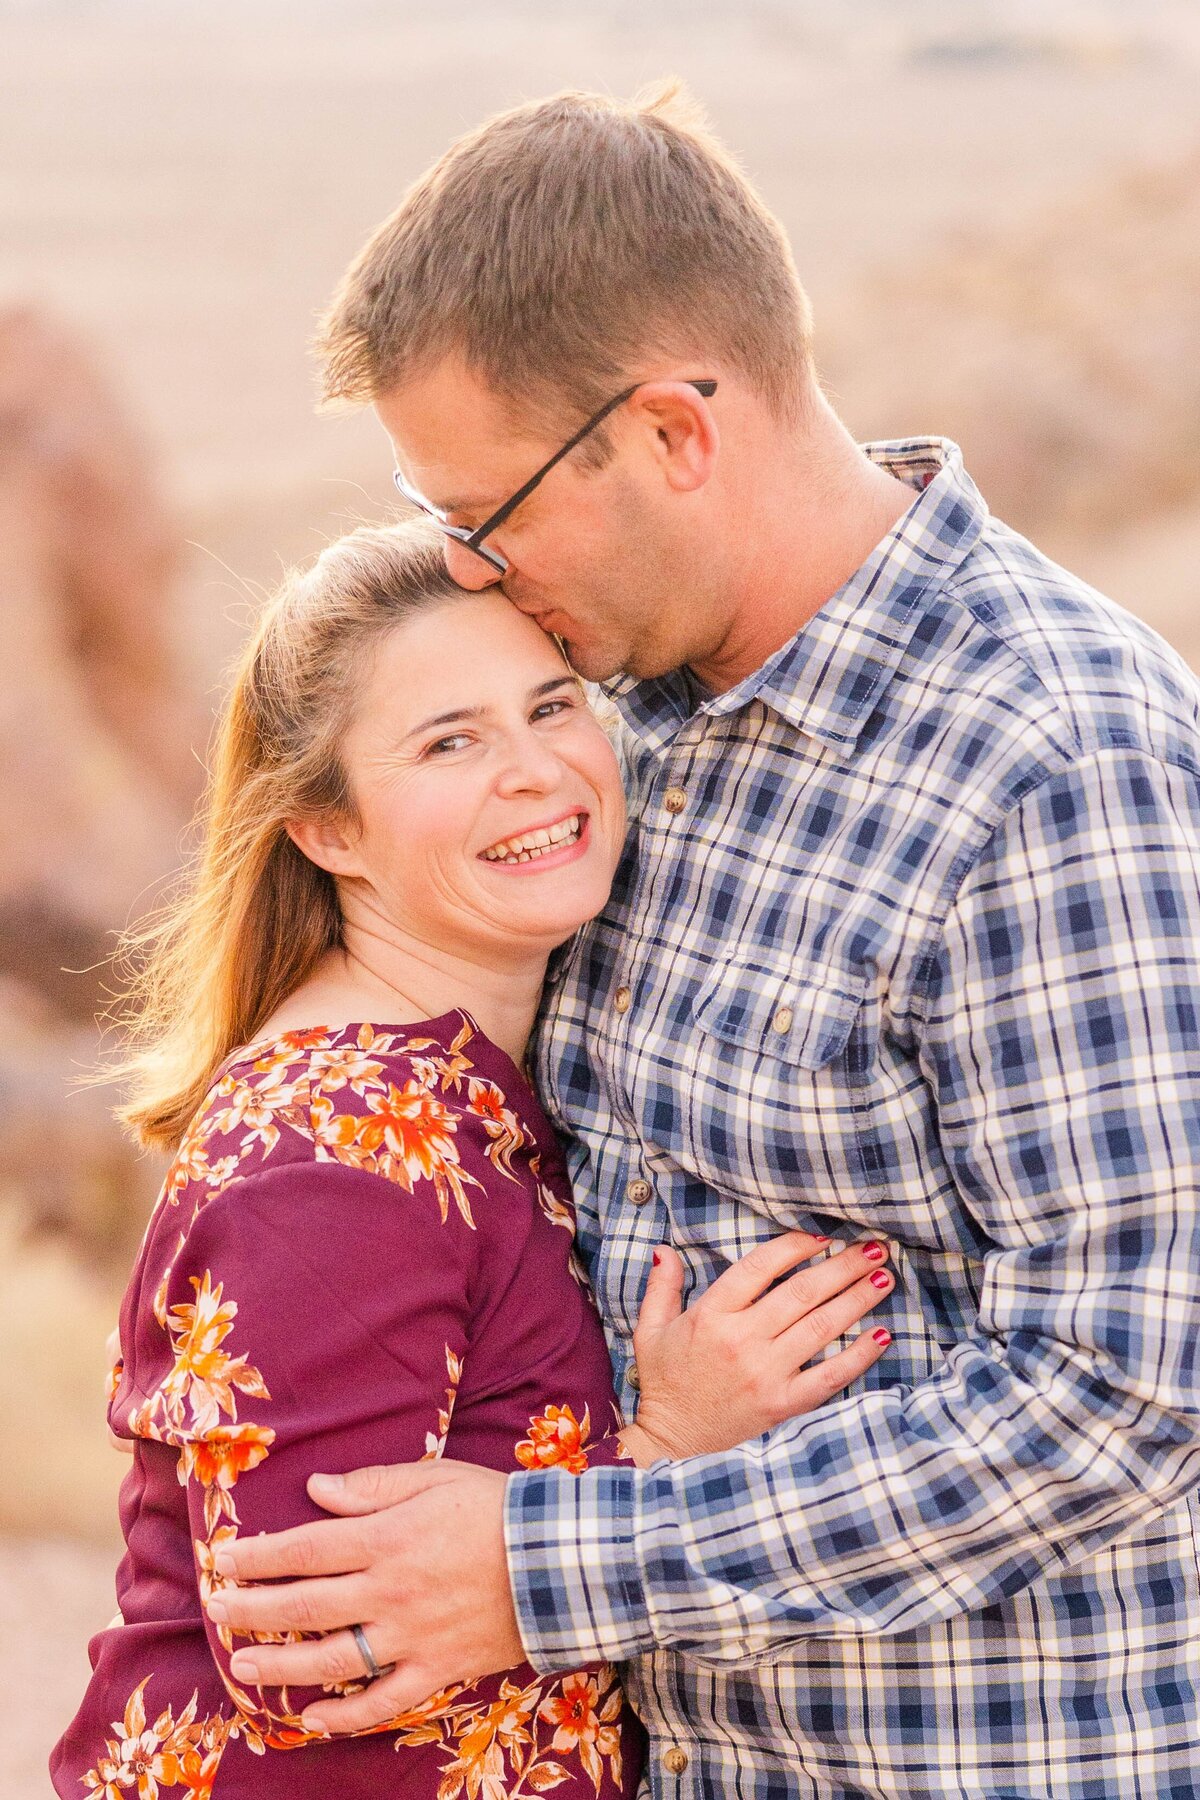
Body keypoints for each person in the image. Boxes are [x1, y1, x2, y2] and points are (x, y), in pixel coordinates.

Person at [207, 84, 1200, 1799]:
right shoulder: (614, 721)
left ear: (673, 433)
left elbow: (1129, 1393)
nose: (468, 566)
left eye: (491, 509)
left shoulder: (1056, 760)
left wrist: (547, 1564)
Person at [53, 521, 896, 1798]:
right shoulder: (334, 1156)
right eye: (450, 740)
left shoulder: (473, 1080)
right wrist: (667, 1449)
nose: (534, 770)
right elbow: (314, 1650)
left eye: (552, 706)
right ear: (328, 830)